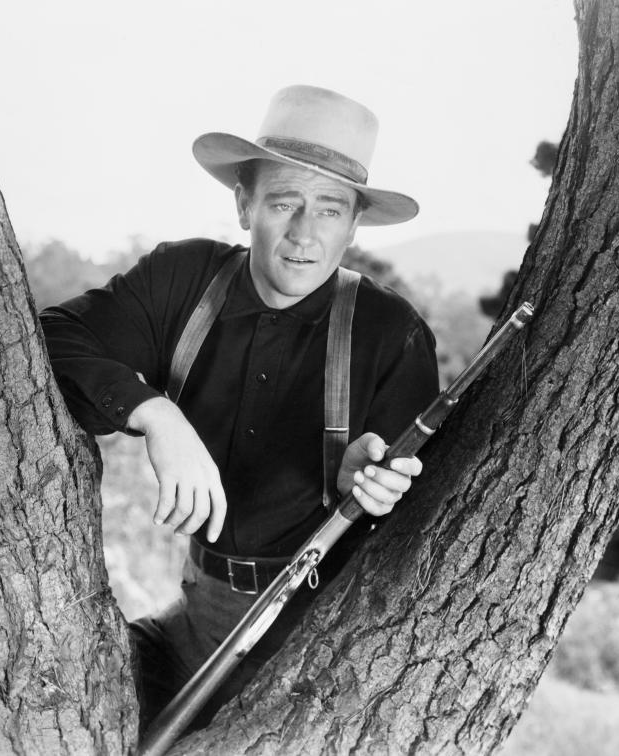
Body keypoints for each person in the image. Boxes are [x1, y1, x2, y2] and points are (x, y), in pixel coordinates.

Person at [40, 84, 439, 729]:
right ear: (244, 203)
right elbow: (53, 337)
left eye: (331, 210)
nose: (305, 234)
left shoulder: (391, 333)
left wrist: (370, 491)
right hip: (196, 618)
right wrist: (155, 415)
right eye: (284, 202)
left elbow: (423, 532)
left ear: (354, 224)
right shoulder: (183, 278)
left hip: (314, 649)